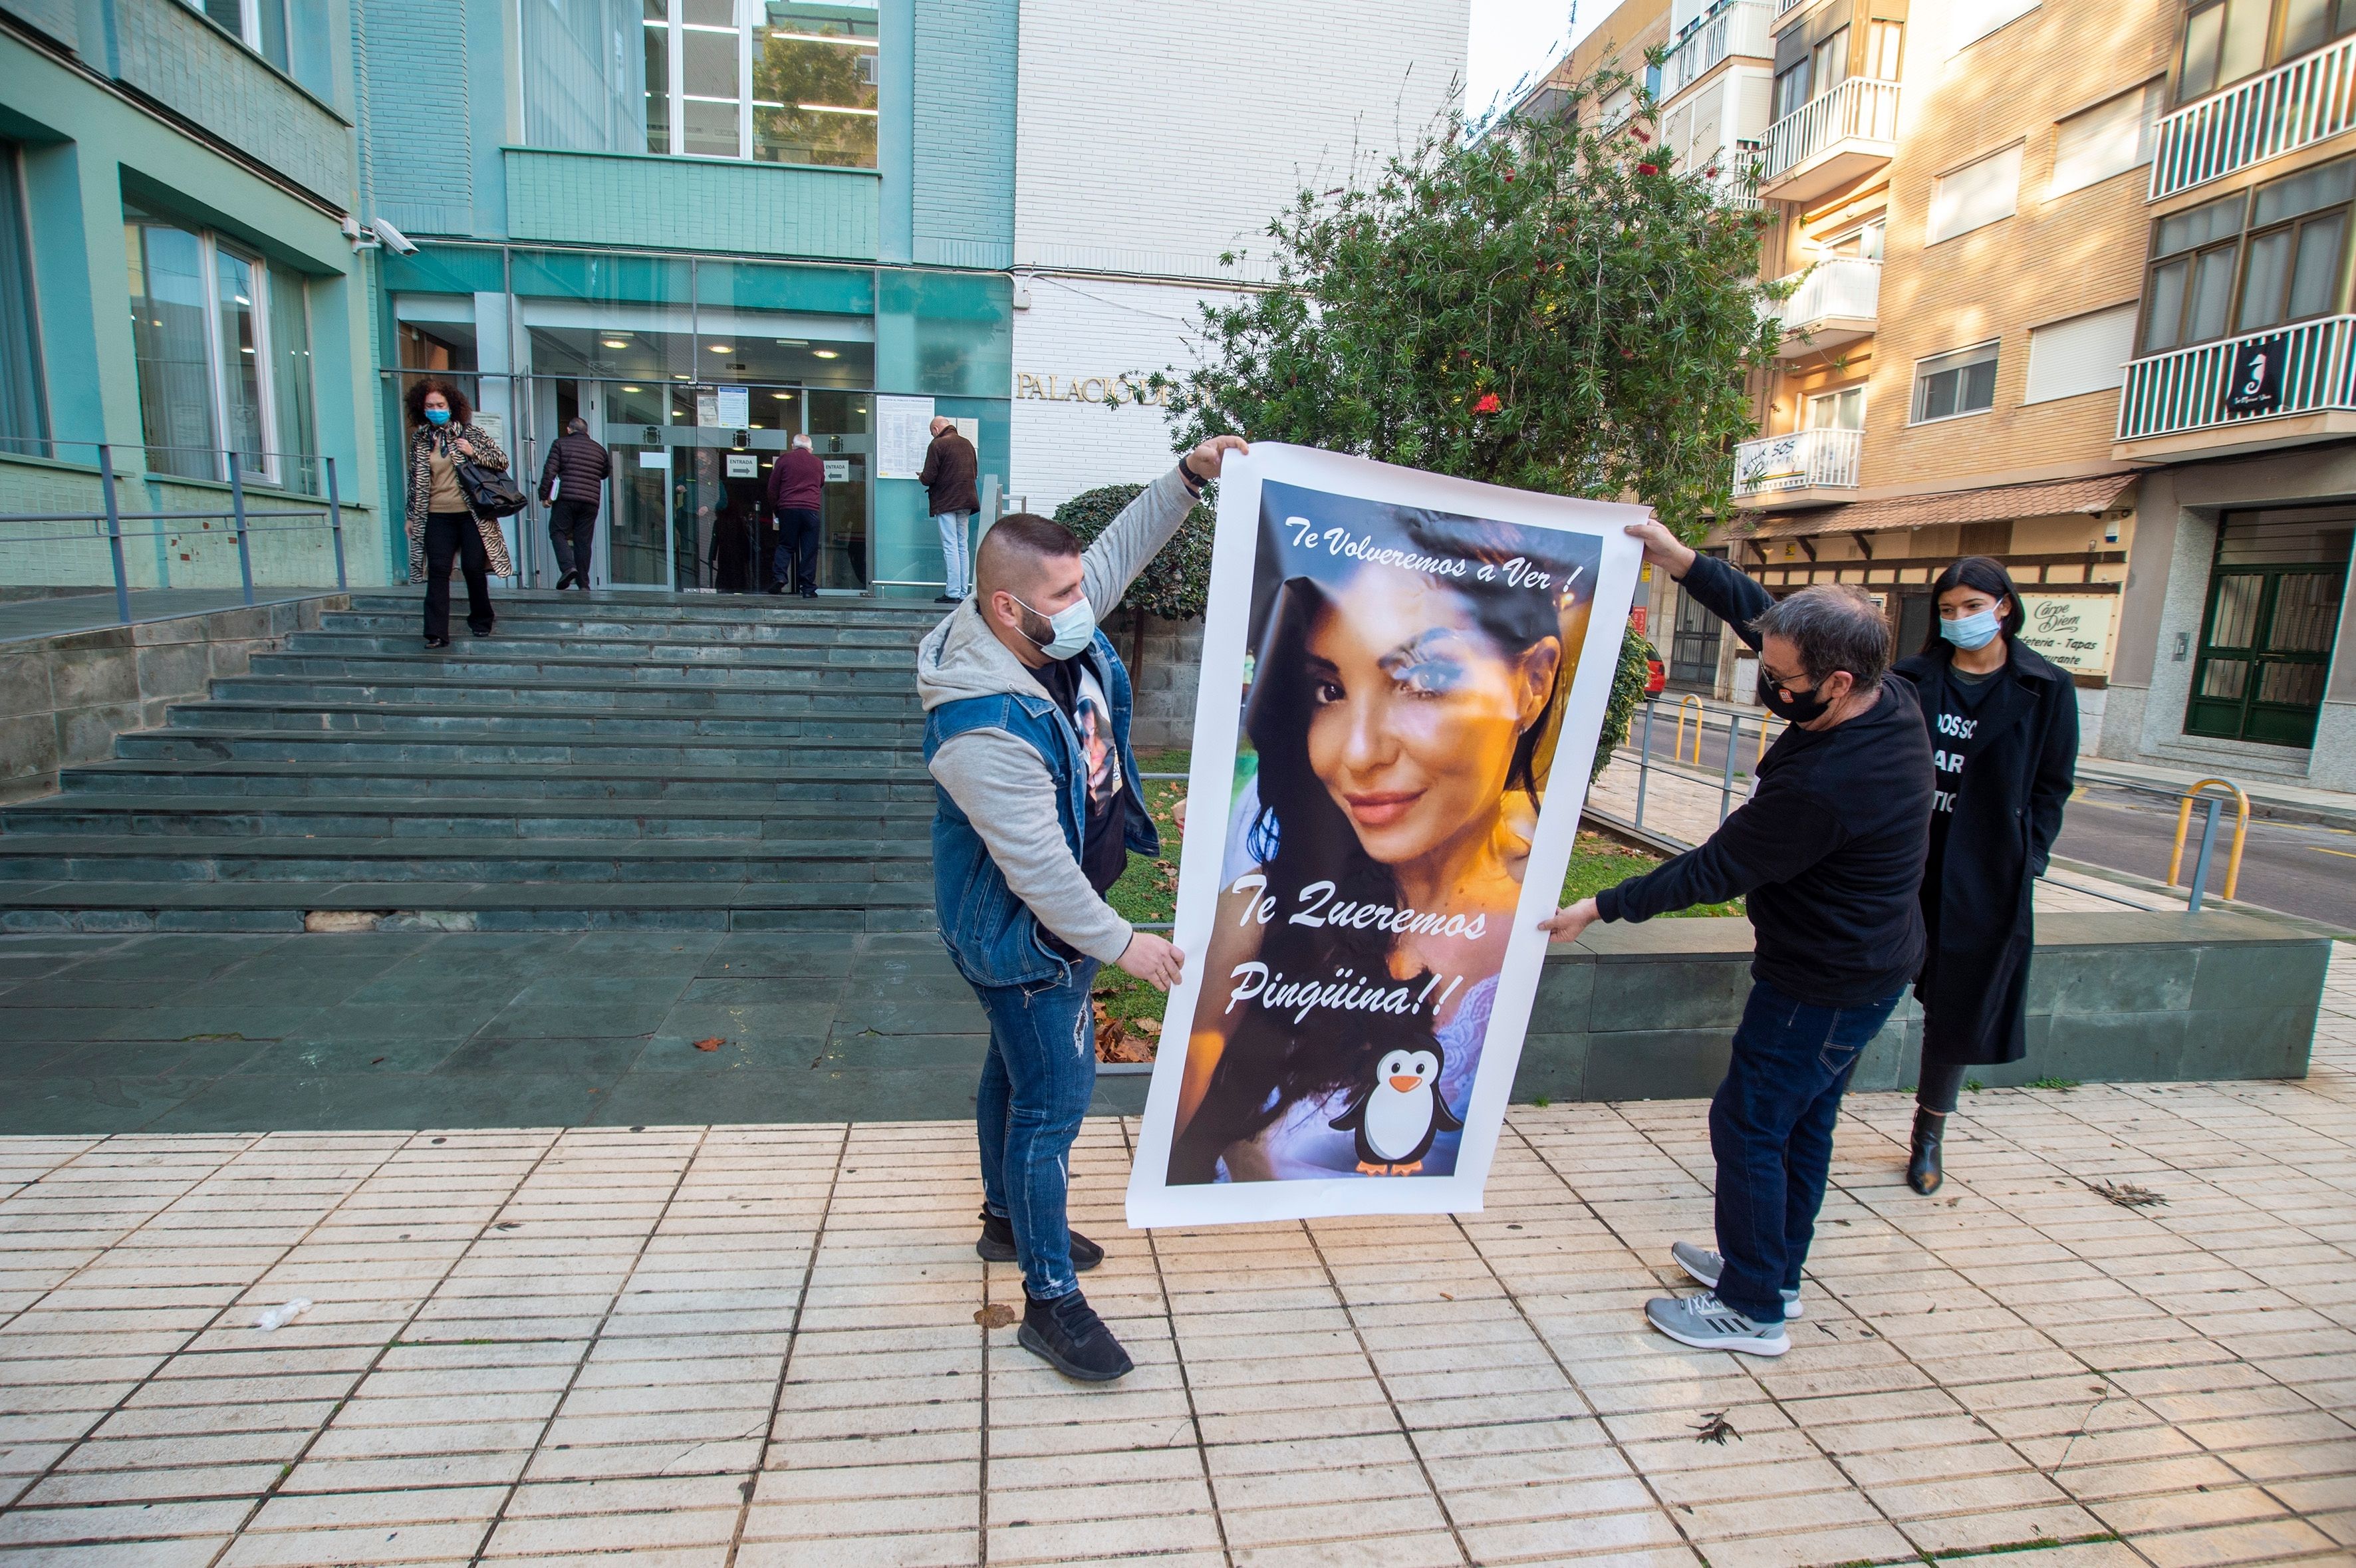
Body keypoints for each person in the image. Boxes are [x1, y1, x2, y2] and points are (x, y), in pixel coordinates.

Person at [1540, 520, 1933, 1359]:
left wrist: (1601, 907)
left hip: (1822, 982)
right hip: (1864, 965)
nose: (1768, 684)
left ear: (1833, 679)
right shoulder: (1885, 695)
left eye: (1780, 678)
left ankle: (1753, 1310)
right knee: (1802, 1124)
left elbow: (1716, 869)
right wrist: (1682, 561)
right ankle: (1771, 1272)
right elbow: (1763, 615)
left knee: (1752, 1125)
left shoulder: (1832, 784)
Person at [918, 432, 1248, 1382]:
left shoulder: (1036, 622)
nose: (1083, 606)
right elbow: (1038, 875)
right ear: (1004, 607)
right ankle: (1048, 1300)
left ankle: (1001, 1220)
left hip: (1050, 915)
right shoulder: (979, 725)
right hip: (1026, 934)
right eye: (1063, 598)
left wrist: (1188, 476)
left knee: (1010, 1072)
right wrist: (1125, 947)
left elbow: (1111, 555)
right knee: (1051, 1107)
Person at [1166, 520, 1576, 1184]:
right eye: (1329, 690)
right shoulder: (1263, 914)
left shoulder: (1536, 913)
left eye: (1423, 681)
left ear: (1531, 682)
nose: (1358, 753)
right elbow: (1176, 1155)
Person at [1891, 557, 2077, 1194]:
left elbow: (2053, 784)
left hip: (1984, 874)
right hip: (1903, 862)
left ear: (2003, 606)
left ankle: (1928, 1136)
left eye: (1971, 606)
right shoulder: (1910, 679)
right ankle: (1815, 1117)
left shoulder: (2045, 687)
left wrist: (2031, 857)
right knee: (1858, 988)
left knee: (1957, 1008)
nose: (1958, 619)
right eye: (1947, 610)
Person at [404, 379, 513, 650]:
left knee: (472, 568)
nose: (435, 409)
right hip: (436, 514)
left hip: (472, 514)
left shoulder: (470, 433)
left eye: (440, 405)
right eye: (430, 406)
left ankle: (482, 619)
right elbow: (414, 481)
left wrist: (472, 452)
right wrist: (411, 516)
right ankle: (436, 633)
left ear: (452, 406)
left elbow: (501, 460)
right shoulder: (420, 440)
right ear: (422, 408)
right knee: (439, 571)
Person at [537, 416, 610, 590]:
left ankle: (568, 567)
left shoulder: (560, 444)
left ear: (569, 430)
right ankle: (584, 584)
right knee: (583, 542)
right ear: (587, 432)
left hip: (567, 498)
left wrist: (544, 495)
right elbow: (605, 473)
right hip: (591, 502)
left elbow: (550, 470)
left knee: (557, 532)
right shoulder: (599, 450)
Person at [920, 416, 980, 604]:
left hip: (946, 501)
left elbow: (930, 476)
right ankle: (963, 592)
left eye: (932, 433)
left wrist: (921, 477)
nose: (933, 436)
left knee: (950, 545)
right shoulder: (967, 444)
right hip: (966, 501)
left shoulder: (937, 445)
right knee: (963, 545)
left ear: (936, 430)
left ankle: (953, 592)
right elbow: (975, 473)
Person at [768, 433, 825, 597]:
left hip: (788, 508)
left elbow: (772, 488)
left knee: (786, 545)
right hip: (811, 510)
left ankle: (779, 577)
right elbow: (821, 482)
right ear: (810, 449)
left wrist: (777, 509)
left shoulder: (784, 460)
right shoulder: (818, 463)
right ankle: (807, 589)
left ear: (793, 446)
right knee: (809, 550)